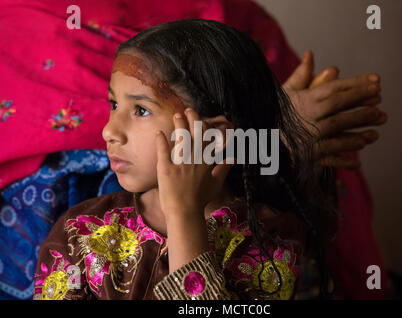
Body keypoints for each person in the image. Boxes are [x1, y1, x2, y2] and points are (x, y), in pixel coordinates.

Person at [34, 18, 343, 300]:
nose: (109, 131)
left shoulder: (269, 241)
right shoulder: (80, 232)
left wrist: (183, 216)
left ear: (214, 137)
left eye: (141, 110)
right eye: (114, 104)